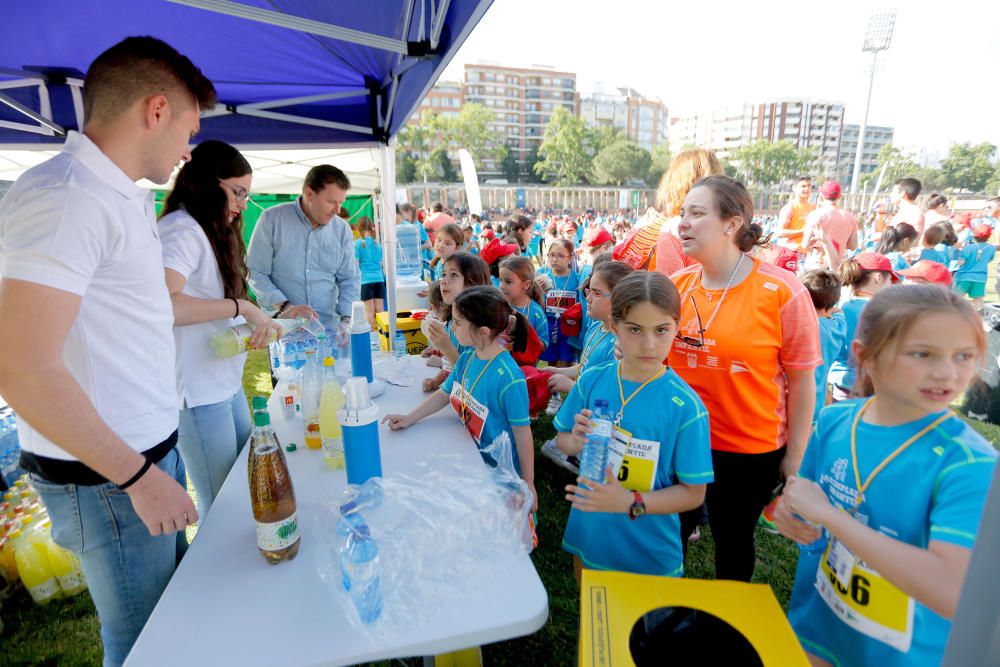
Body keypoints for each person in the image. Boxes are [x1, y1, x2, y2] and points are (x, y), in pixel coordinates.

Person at [0, 37, 214, 666]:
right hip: (111, 477)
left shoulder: (118, 190)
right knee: (145, 643)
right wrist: (140, 479)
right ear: (155, 110)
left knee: (169, 627)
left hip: (138, 458)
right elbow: (19, 364)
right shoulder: (68, 197)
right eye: (189, 128)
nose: (188, 150)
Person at [777, 284, 996, 667]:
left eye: (963, 356)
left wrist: (832, 517)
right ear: (867, 357)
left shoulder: (970, 465)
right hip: (818, 629)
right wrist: (791, 517)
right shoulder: (833, 421)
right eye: (922, 354)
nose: (947, 372)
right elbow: (802, 502)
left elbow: (951, 589)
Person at [672, 175, 820, 582]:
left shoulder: (782, 291)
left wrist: (795, 455)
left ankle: (723, 630)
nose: (682, 223)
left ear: (731, 224)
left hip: (748, 449)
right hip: (680, 439)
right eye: (682, 213)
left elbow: (803, 380)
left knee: (732, 537)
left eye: (697, 213)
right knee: (673, 532)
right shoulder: (676, 288)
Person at [555, 271, 712, 583]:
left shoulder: (686, 406)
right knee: (593, 613)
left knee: (644, 629)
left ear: (676, 329)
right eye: (635, 329)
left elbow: (694, 493)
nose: (649, 343)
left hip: (647, 545)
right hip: (591, 526)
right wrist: (574, 441)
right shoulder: (592, 380)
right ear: (615, 327)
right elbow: (563, 440)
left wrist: (631, 502)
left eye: (662, 330)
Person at [158, 140, 281, 520]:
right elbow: (165, 302)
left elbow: (215, 299)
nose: (244, 203)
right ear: (208, 183)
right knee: (224, 505)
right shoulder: (180, 230)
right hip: (197, 393)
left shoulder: (210, 230)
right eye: (238, 192)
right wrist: (241, 307)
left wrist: (253, 320)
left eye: (247, 194)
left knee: (249, 479)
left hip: (224, 385)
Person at [384, 286, 536, 507]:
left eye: (457, 322)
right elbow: (445, 393)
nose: (451, 326)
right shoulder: (467, 358)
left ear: (483, 331)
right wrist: (410, 417)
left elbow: (522, 434)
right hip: (469, 457)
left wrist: (528, 483)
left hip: (498, 474)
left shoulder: (510, 379)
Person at [246, 164, 361, 333]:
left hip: (330, 330)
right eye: (331, 202)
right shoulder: (272, 220)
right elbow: (255, 272)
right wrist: (286, 306)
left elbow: (349, 279)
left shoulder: (342, 229)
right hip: (283, 329)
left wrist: (346, 320)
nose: (337, 210)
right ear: (309, 194)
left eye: (340, 203)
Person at [828, 253, 898, 402]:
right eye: (890, 280)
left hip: (841, 384)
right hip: (870, 386)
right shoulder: (880, 311)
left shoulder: (840, 305)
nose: (891, 285)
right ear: (879, 278)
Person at [423, 252, 492, 368]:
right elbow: (458, 355)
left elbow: (471, 373)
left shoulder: (479, 328)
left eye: (453, 275)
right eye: (444, 274)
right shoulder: (451, 321)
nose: (444, 280)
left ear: (471, 283)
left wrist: (446, 348)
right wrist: (440, 352)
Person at [801, 270, 847, 423]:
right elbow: (838, 312)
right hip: (818, 404)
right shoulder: (838, 326)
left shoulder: (802, 327)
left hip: (796, 406)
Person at [538, 239, 581, 368]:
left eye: (560, 256)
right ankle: (553, 388)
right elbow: (535, 303)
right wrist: (538, 291)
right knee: (551, 361)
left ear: (571, 258)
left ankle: (565, 386)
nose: (555, 259)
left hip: (569, 326)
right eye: (552, 255)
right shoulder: (542, 276)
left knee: (566, 361)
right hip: (549, 324)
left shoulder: (577, 278)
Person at [498, 256, 549, 356]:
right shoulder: (498, 306)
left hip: (524, 369)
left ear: (526, 285)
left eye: (508, 281)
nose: (502, 286)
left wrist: (523, 336)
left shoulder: (536, 312)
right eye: (501, 280)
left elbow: (543, 345)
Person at [801, 180, 858, 263]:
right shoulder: (850, 217)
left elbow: (805, 245)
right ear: (839, 197)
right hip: (837, 263)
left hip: (817, 263)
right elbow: (853, 246)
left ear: (820, 196)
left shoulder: (815, 215)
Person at [954, 224, 997, 308]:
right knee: (978, 298)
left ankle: (953, 315)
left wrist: (957, 253)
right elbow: (989, 260)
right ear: (989, 236)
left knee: (957, 298)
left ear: (973, 236)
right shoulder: (991, 248)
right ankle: (980, 315)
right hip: (981, 278)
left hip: (964, 276)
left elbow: (961, 262)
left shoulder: (968, 248)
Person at [354, 216, 384, 327]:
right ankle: (383, 335)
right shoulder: (378, 244)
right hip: (379, 279)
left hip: (365, 281)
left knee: (368, 312)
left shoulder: (357, 244)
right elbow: (381, 264)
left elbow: (355, 265)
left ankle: (372, 339)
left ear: (359, 229)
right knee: (380, 311)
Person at [776, 176, 815, 252]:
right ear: (795, 188)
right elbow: (780, 232)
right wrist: (803, 231)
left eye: (809, 186)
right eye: (803, 186)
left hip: (809, 253)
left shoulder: (814, 208)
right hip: (793, 252)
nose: (807, 189)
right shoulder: (790, 207)